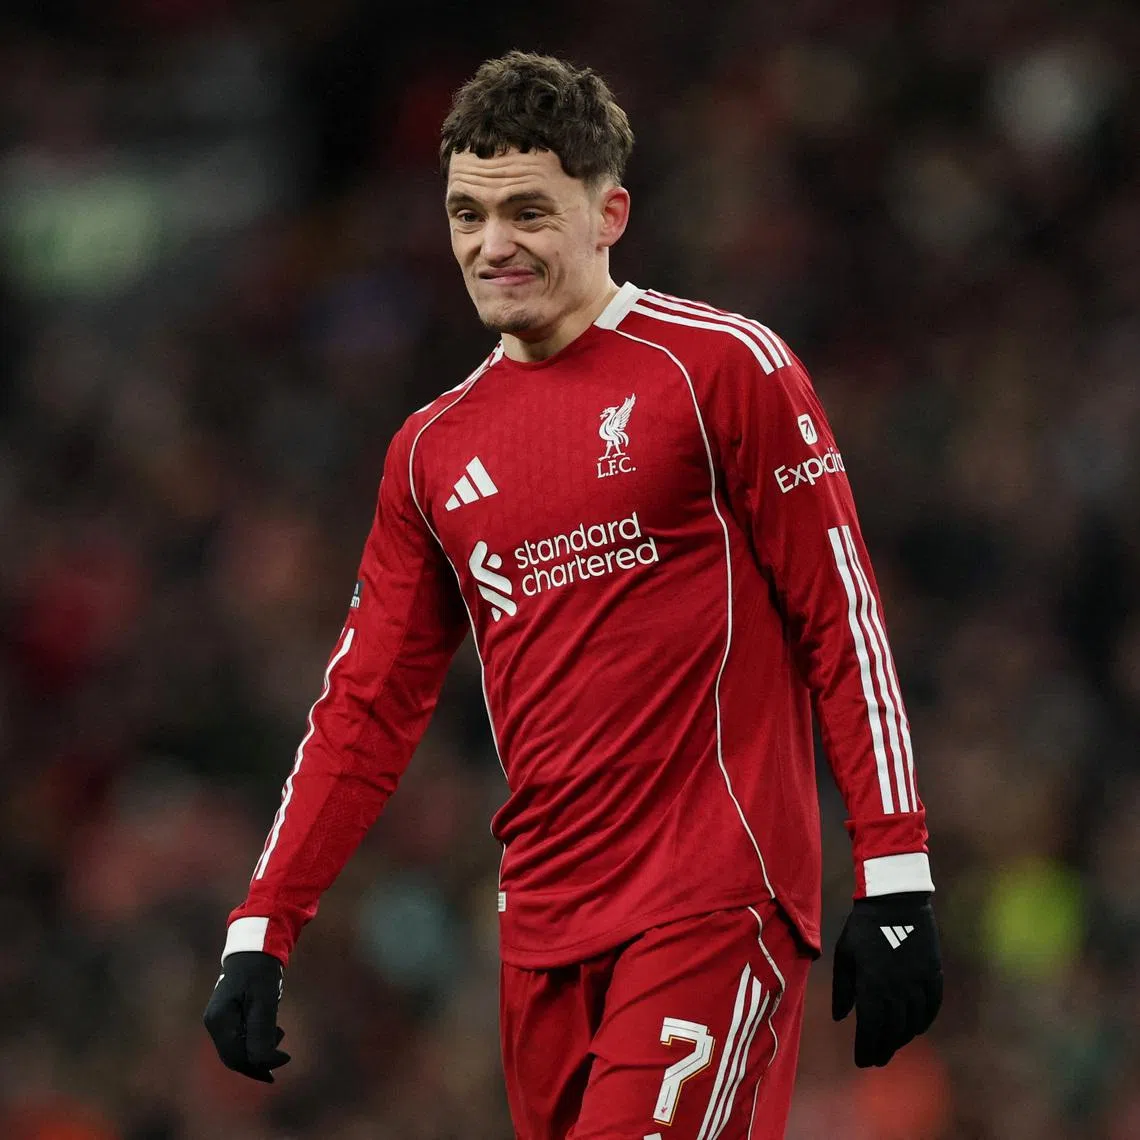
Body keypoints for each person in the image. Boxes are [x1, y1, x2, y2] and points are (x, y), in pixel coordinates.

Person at [204, 51, 943, 1139]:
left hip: (711, 900)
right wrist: (263, 925)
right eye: (467, 214)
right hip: (541, 934)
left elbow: (844, 624)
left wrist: (896, 873)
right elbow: (364, 706)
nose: (491, 245)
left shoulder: (722, 368)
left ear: (610, 215)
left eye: (528, 212)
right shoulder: (430, 451)